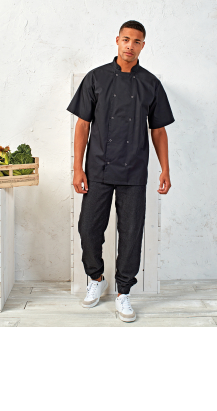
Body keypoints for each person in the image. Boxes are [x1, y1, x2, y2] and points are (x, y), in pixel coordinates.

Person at [66, 20, 175, 322]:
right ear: (117, 40)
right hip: (97, 168)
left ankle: (124, 292)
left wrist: (165, 169)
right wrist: (77, 168)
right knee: (88, 228)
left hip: (134, 170)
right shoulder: (96, 78)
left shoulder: (150, 83)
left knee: (131, 233)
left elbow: (159, 130)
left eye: (136, 41)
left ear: (143, 46)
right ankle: (96, 278)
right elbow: (82, 125)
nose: (130, 45)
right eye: (126, 39)